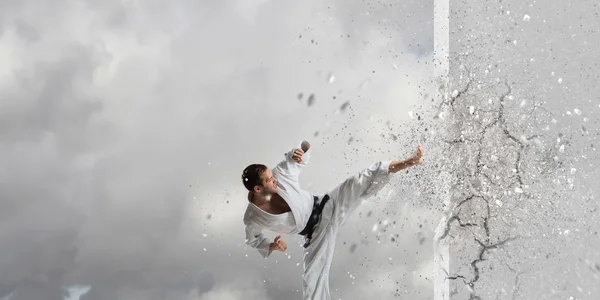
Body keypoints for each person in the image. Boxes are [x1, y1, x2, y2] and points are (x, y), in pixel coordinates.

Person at [242, 140, 423, 300]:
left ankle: (409, 162)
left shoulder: (280, 174)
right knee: (312, 284)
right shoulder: (252, 217)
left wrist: (299, 151)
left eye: (273, 176)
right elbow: (253, 239)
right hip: (316, 236)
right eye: (269, 180)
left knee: (363, 178)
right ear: (257, 189)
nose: (275, 180)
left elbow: (303, 149)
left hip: (327, 204)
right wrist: (273, 246)